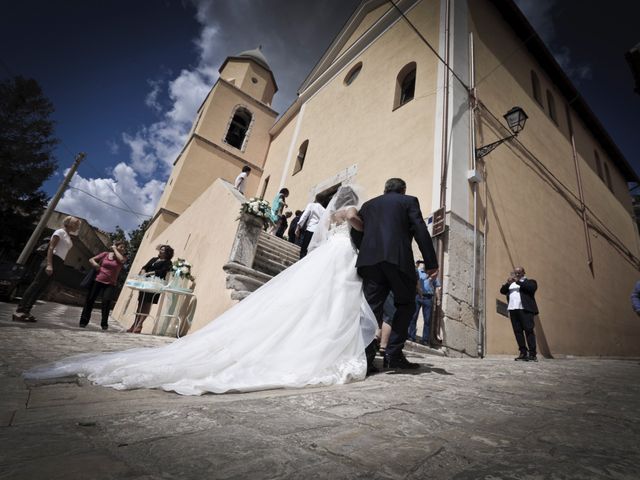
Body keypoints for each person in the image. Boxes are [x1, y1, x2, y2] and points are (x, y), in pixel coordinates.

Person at [25, 186, 377, 396]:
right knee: (333, 298)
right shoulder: (349, 211)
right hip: (343, 255)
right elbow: (359, 225)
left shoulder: (330, 217)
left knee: (320, 297)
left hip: (328, 254)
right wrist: (361, 220)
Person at [356, 178, 438, 373]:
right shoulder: (408, 201)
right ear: (403, 190)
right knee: (406, 304)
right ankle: (393, 355)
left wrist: (365, 252)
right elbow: (420, 230)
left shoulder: (368, 206)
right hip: (397, 260)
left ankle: (365, 358)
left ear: (385, 190)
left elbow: (357, 233)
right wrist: (431, 263)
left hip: (370, 262)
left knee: (370, 308)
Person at [12, 216, 81, 322]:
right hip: (52, 259)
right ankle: (19, 310)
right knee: (36, 284)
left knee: (42, 288)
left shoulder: (68, 236)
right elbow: (51, 247)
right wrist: (49, 264)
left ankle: (27, 311)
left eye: (78, 225)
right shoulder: (60, 232)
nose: (77, 226)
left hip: (59, 262)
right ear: (68, 223)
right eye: (76, 223)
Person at [79, 241, 128, 330]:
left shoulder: (123, 257)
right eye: (121, 247)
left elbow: (121, 260)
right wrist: (95, 264)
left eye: (124, 248)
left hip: (110, 284)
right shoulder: (105, 254)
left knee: (106, 302)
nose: (123, 249)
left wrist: (114, 249)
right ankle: (83, 321)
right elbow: (91, 259)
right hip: (97, 280)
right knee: (90, 300)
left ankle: (104, 323)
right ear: (116, 246)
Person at [127, 245, 174, 334]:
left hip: (155, 284)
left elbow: (163, 271)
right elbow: (145, 266)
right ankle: (134, 324)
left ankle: (139, 325)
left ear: (167, 252)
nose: (160, 250)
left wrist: (151, 272)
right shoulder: (153, 259)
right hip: (145, 283)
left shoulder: (168, 262)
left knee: (147, 304)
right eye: (161, 249)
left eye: (163, 250)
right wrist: (143, 271)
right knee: (140, 304)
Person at [499, 266, 539, 362]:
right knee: (518, 332)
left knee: (529, 331)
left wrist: (517, 281)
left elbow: (531, 289)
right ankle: (523, 353)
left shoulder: (530, 282)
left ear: (523, 273)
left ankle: (532, 354)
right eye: (515, 273)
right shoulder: (511, 284)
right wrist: (507, 284)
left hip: (525, 310)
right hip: (513, 310)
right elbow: (502, 291)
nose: (516, 274)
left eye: (518, 272)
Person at [408, 260, 441, 344]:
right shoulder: (419, 271)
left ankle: (425, 340)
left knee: (427, 320)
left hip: (428, 298)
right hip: (418, 296)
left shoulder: (434, 275)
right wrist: (416, 265)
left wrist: (438, 299)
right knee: (413, 317)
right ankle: (411, 336)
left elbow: (437, 287)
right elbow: (413, 278)